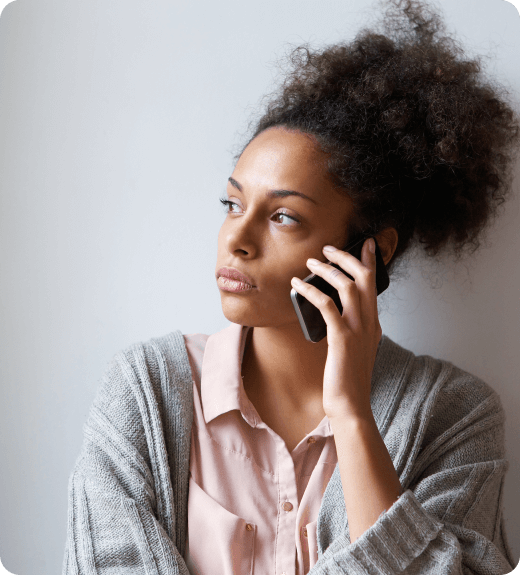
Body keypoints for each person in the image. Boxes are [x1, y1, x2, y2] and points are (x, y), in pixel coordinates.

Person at [62, 1, 520, 573]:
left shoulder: (454, 414)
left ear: (371, 249)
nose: (238, 239)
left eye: (283, 217)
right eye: (232, 204)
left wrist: (352, 414)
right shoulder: (146, 393)